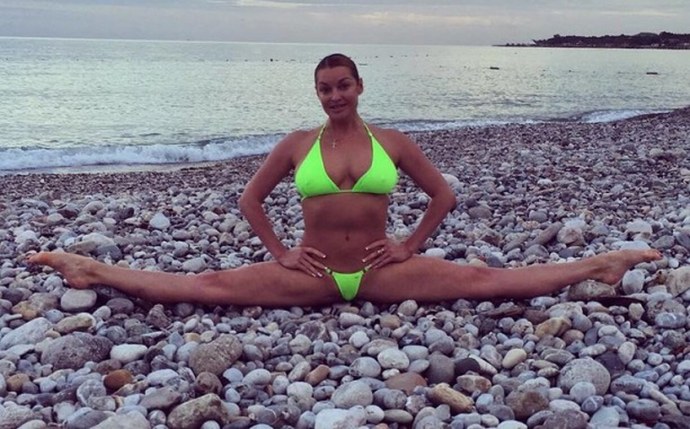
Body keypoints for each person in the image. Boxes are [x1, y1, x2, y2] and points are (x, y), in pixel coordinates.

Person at [28, 53, 661, 308]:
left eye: (342, 86)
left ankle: (600, 264)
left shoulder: (393, 141)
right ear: (318, 94)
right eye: (324, 89)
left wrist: (410, 244)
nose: (333, 96)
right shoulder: (297, 144)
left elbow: (443, 195)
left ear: (359, 87)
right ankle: (90, 269)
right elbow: (250, 200)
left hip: (381, 273)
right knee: (209, 285)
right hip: (314, 274)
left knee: (483, 281)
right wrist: (280, 251)